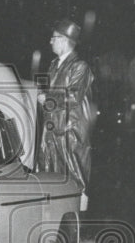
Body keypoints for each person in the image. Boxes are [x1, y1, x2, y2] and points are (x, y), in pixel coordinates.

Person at [37, 19, 95, 211]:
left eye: (53, 38)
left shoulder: (80, 67)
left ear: (63, 40)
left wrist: (47, 99)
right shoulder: (54, 65)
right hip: (54, 129)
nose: (50, 42)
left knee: (74, 181)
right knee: (52, 179)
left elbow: (73, 96)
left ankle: (76, 226)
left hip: (71, 133)